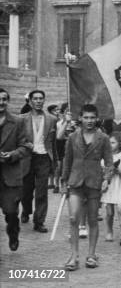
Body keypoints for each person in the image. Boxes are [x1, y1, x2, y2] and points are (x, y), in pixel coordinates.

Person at [61, 104, 113, 270]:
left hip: (94, 182)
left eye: (92, 118)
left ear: (97, 119)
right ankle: (74, 256)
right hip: (75, 181)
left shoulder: (103, 138)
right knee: (73, 218)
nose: (89, 121)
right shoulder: (72, 137)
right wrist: (63, 181)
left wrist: (107, 178)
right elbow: (67, 160)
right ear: (81, 118)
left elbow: (110, 162)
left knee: (92, 220)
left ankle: (91, 255)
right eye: (86, 117)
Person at [20, 89, 58, 232]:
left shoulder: (52, 119)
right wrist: (25, 144)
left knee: (42, 192)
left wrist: (56, 161)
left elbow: (53, 143)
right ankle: (26, 210)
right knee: (26, 191)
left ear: (44, 100)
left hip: (44, 158)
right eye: (35, 98)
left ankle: (39, 221)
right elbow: (18, 139)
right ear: (30, 101)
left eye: (41, 98)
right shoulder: (22, 119)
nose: (38, 101)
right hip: (27, 158)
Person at [0, 88, 31, 251]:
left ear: (8, 101)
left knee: (11, 213)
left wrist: (11, 155)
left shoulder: (17, 122)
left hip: (10, 176)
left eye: (4, 99)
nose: (1, 102)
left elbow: (25, 146)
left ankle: (13, 232)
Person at [101, 131, 121, 245]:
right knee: (109, 212)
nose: (110, 145)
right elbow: (101, 172)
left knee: (120, 208)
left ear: (119, 144)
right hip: (110, 186)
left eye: (113, 142)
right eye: (109, 142)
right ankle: (109, 231)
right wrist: (106, 173)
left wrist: (119, 171)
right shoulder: (104, 157)